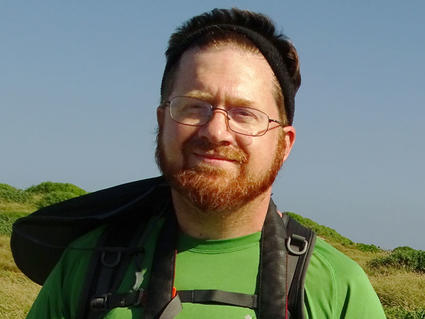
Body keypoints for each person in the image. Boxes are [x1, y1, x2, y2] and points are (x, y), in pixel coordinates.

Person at [23, 8, 386, 319]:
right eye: (194, 106)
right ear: (163, 121)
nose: (216, 131)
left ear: (283, 143)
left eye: (245, 114)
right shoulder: (87, 263)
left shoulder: (338, 289)